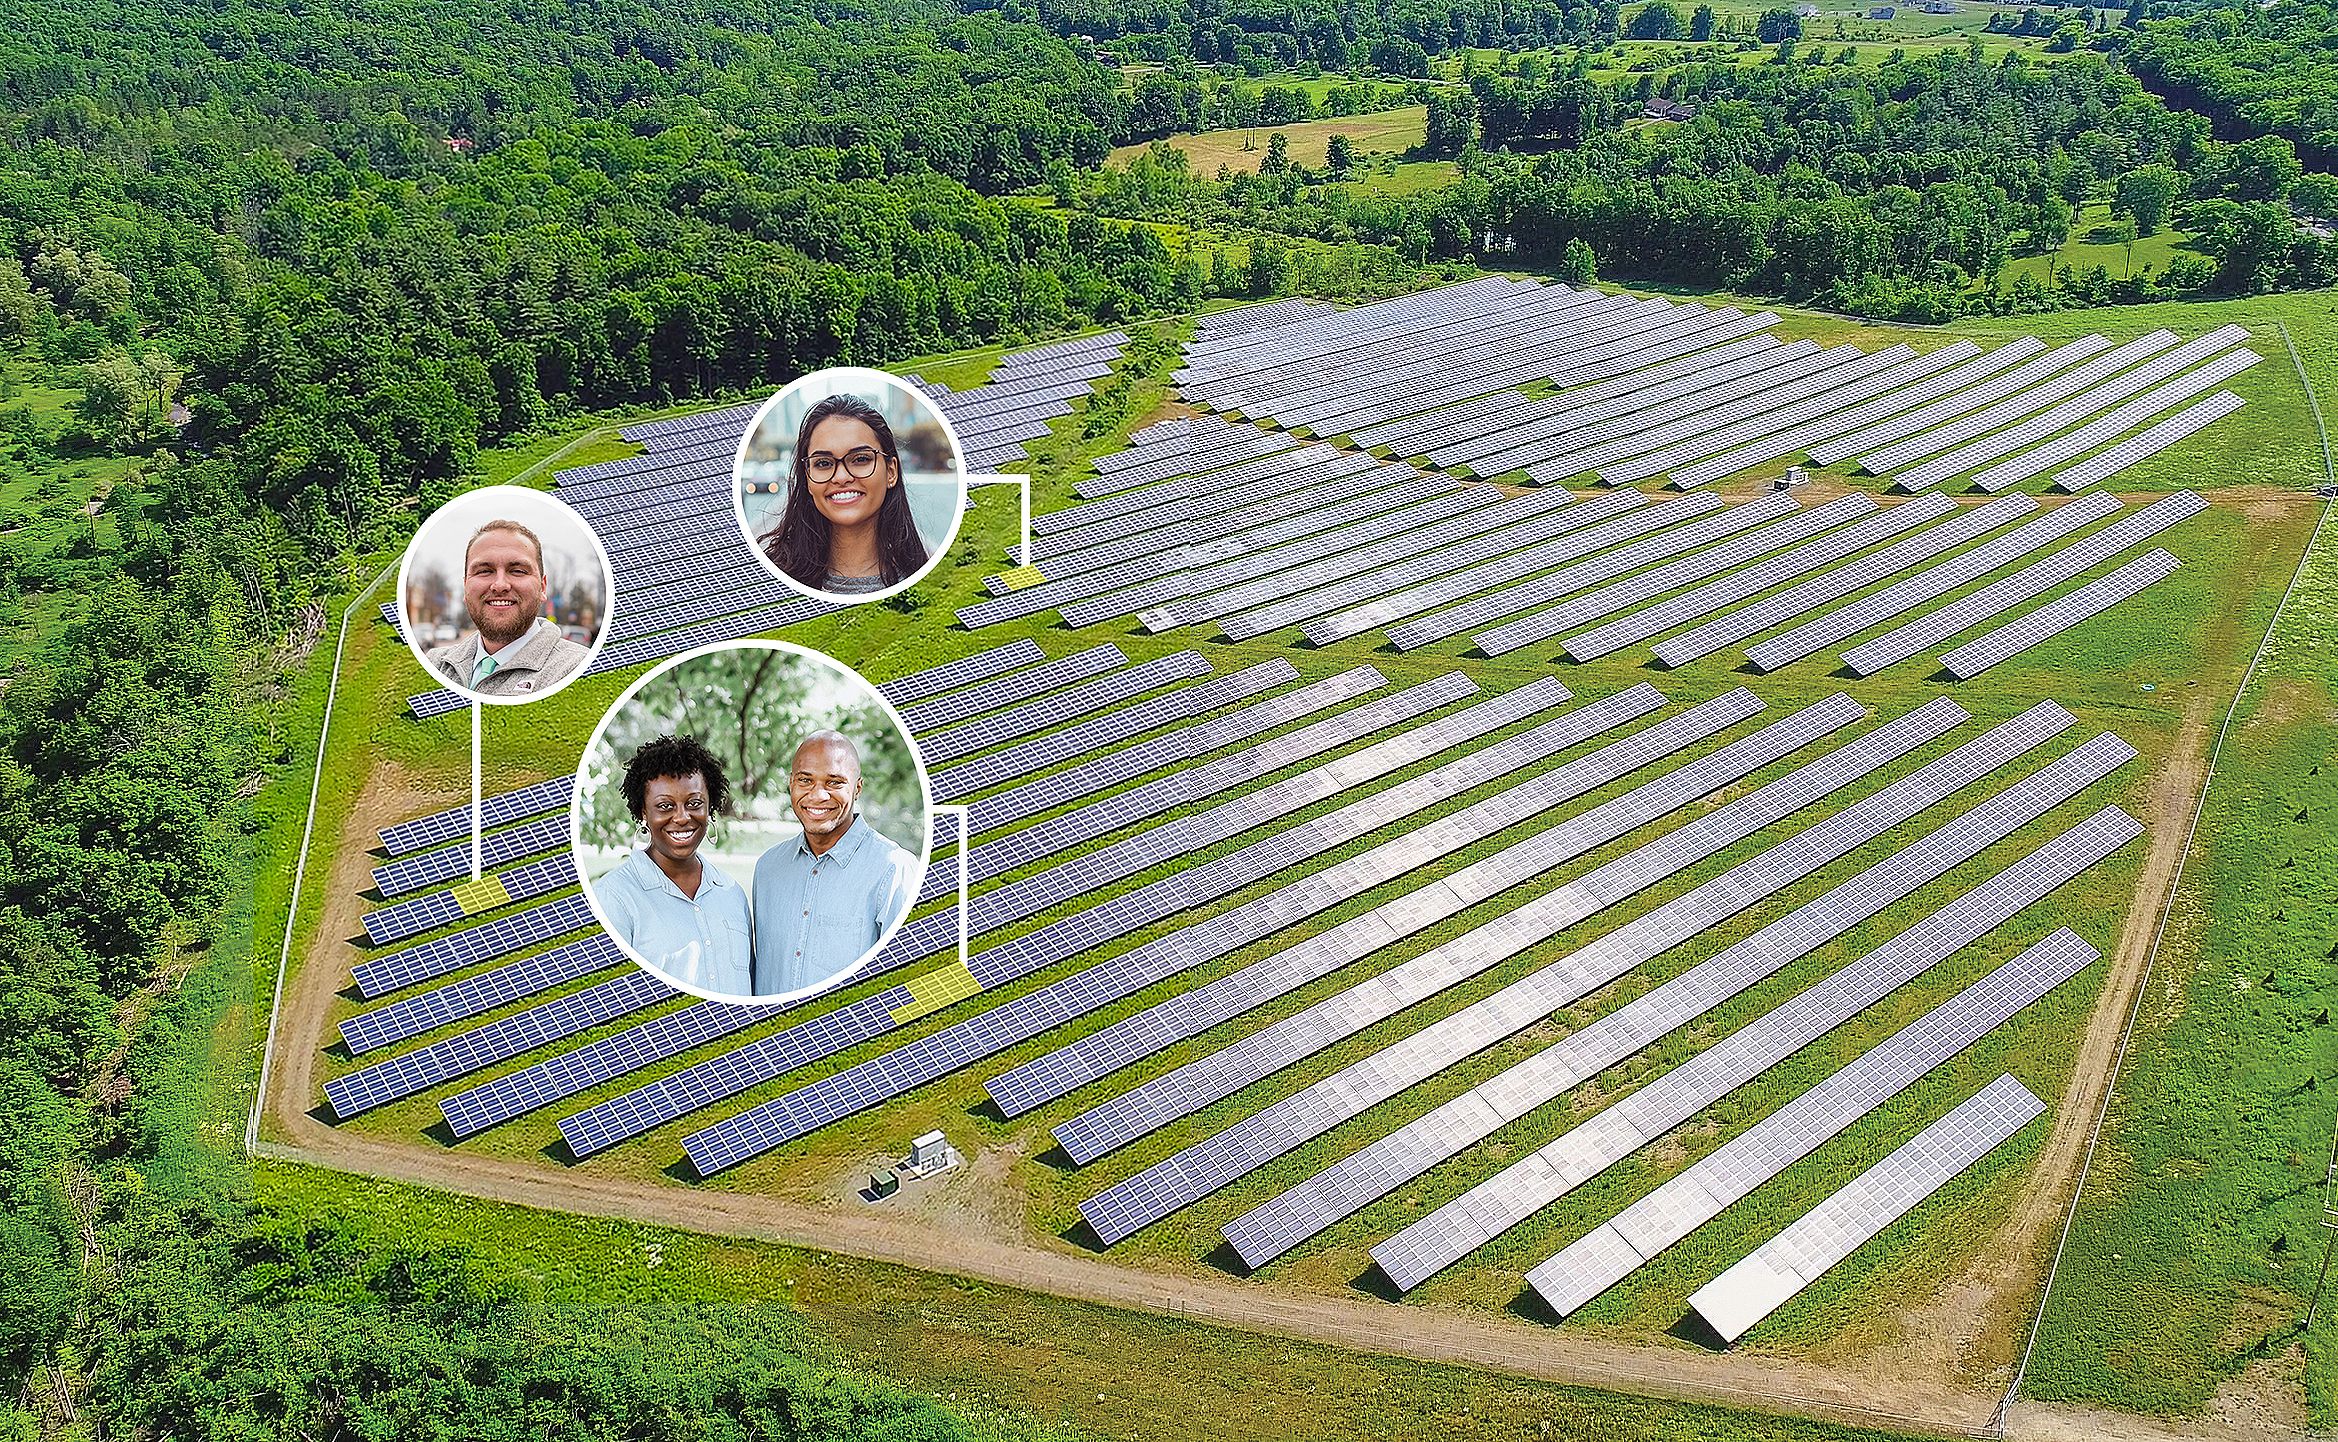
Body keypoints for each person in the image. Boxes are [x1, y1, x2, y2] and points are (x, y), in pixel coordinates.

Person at [752, 729, 918, 996]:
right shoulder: (768, 869)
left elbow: (907, 981)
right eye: (805, 780)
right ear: (791, 783)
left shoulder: (893, 869)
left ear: (858, 788)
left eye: (834, 782)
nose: (818, 795)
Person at [593, 735, 755, 996]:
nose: (681, 817)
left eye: (694, 804)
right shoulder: (615, 897)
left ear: (710, 807)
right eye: (665, 806)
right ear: (643, 813)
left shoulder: (731, 893)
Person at [758, 393, 929, 596]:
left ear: (891, 471)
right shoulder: (767, 579)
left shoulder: (929, 581)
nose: (841, 477)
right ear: (808, 479)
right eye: (823, 463)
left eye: (860, 459)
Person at [424, 518, 592, 697]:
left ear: (543, 587)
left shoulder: (579, 669)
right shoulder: (434, 663)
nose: (500, 585)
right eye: (484, 571)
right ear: (465, 587)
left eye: (518, 571)